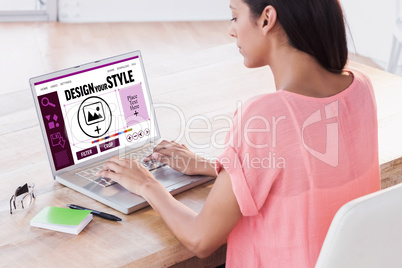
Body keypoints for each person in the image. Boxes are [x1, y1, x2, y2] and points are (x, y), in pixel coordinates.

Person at [98, 0, 381, 266]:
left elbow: (201, 239)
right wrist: (215, 168)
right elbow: (301, 172)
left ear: (267, 19)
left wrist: (147, 183)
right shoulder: (360, 87)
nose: (231, 30)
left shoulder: (265, 115)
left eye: (235, 15)